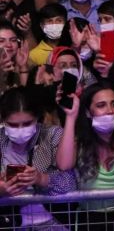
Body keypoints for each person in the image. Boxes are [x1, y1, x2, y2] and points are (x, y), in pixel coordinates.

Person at [56, 82, 114, 230]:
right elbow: (63, 164)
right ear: (88, 112)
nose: (110, 111)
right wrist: (71, 116)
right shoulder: (80, 143)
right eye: (101, 105)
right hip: (90, 222)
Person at [0, 88, 76, 229]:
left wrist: (42, 179)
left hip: (52, 223)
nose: (20, 130)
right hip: (8, 224)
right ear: (3, 120)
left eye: (27, 123)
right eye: (13, 125)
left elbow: (70, 182)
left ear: (37, 118)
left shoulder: (52, 135)